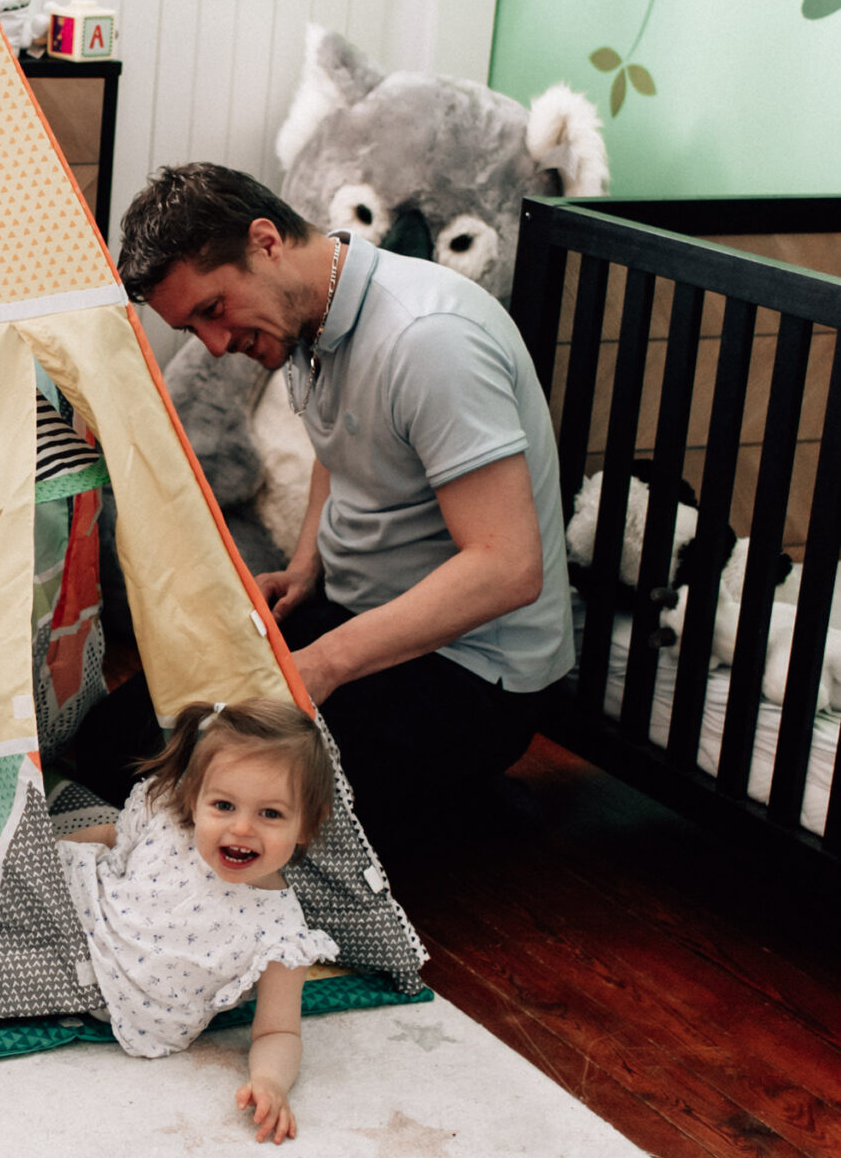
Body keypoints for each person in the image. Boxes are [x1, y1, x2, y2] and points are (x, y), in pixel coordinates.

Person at [113, 163, 574, 843]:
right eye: (194, 329)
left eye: (212, 310)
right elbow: (340, 447)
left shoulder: (427, 340)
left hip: (471, 673)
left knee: (225, 809)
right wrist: (306, 568)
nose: (215, 345)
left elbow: (507, 567)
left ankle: (458, 792)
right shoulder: (309, 316)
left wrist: (325, 661)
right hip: (365, 620)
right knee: (118, 746)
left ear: (265, 242)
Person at [60, 699, 338, 1142]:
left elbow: (279, 1029)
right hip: (71, 907)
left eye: (270, 814)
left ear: (307, 825)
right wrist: (44, 850)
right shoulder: (171, 819)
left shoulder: (281, 936)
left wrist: (270, 1082)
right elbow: (110, 837)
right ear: (196, 797)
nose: (242, 828)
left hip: (92, 988)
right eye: (224, 805)